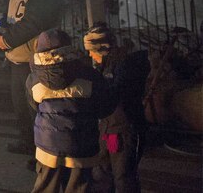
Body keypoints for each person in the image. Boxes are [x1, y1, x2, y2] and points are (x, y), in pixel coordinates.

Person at [0, 0, 63, 162]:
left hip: (37, 60)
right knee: (21, 107)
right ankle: (28, 143)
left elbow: (34, 22)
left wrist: (7, 40)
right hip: (17, 59)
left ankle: (41, 154)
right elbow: (11, 18)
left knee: (37, 110)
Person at [27, 29, 117, 193]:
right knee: (78, 188)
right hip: (81, 147)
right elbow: (105, 108)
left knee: (45, 187)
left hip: (48, 144)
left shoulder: (33, 79)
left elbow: (33, 105)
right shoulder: (90, 75)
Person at [84, 24, 149, 193]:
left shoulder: (124, 67)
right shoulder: (106, 67)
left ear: (101, 48)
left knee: (123, 175)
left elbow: (118, 95)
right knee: (103, 171)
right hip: (109, 130)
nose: (90, 54)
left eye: (91, 50)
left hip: (123, 130)